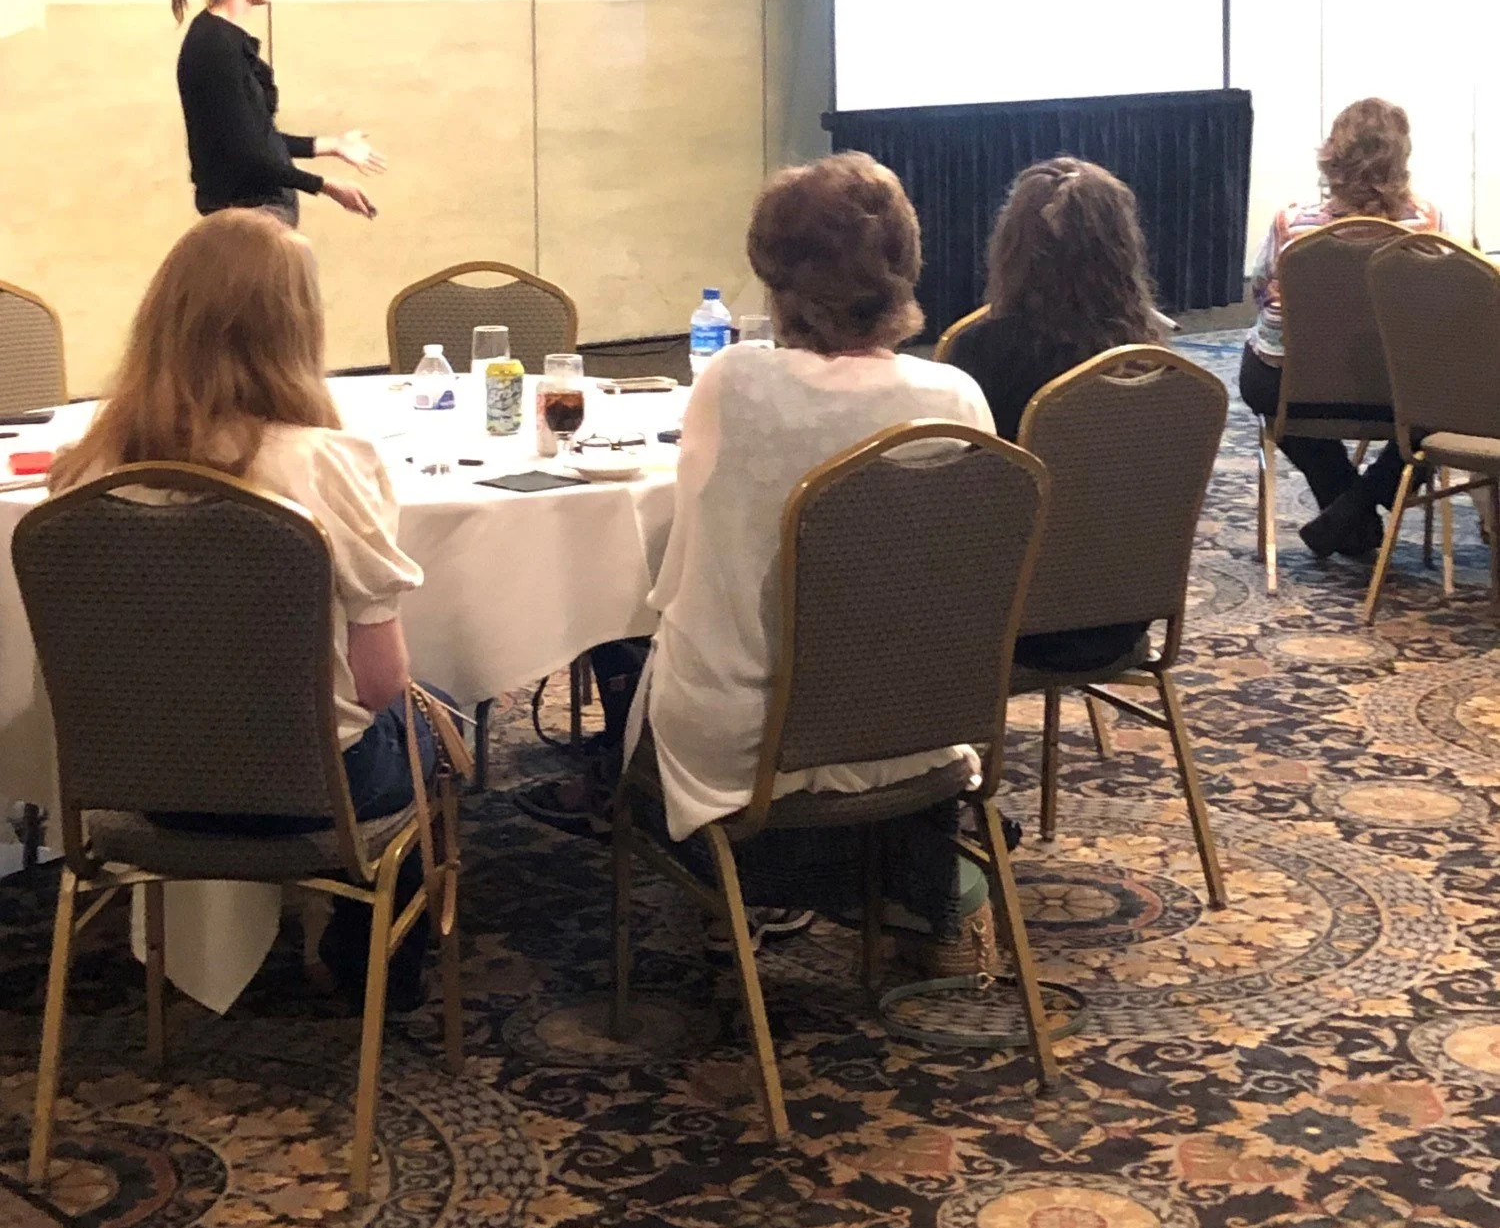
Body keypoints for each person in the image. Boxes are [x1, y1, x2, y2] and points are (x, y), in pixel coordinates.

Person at [520, 153, 1001, 968]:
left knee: (636, 639)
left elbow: (687, 579)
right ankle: (913, 888)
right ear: (907, 264)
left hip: (753, 744)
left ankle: (732, 887)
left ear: (771, 272)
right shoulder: (956, 398)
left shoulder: (735, 382)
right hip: (918, 728)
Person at [51, 209, 445, 1008]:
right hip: (313, 791)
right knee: (441, 730)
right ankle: (378, 969)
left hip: (140, 787)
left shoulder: (83, 470)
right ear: (298, 329)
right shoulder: (331, 464)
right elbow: (376, 688)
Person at [946, 156, 1162, 673]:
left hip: (1008, 625)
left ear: (1011, 248)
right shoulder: (1157, 363)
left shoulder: (981, 353)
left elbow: (962, 503)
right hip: (1125, 617)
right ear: (1122, 249)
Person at [1238, 97, 1443, 561]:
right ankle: (1374, 491)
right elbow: (1438, 308)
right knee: (1451, 400)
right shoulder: (1426, 225)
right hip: (1396, 393)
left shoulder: (1292, 224)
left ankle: (1349, 507)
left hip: (1293, 385)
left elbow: (1260, 294)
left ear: (1333, 155)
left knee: (1266, 385)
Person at [172, 0, 384, 224]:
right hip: (247, 221)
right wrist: (326, 185)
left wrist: (333, 146)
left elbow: (254, 139)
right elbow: (247, 154)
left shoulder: (218, 38)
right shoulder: (215, 46)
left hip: (255, 217)